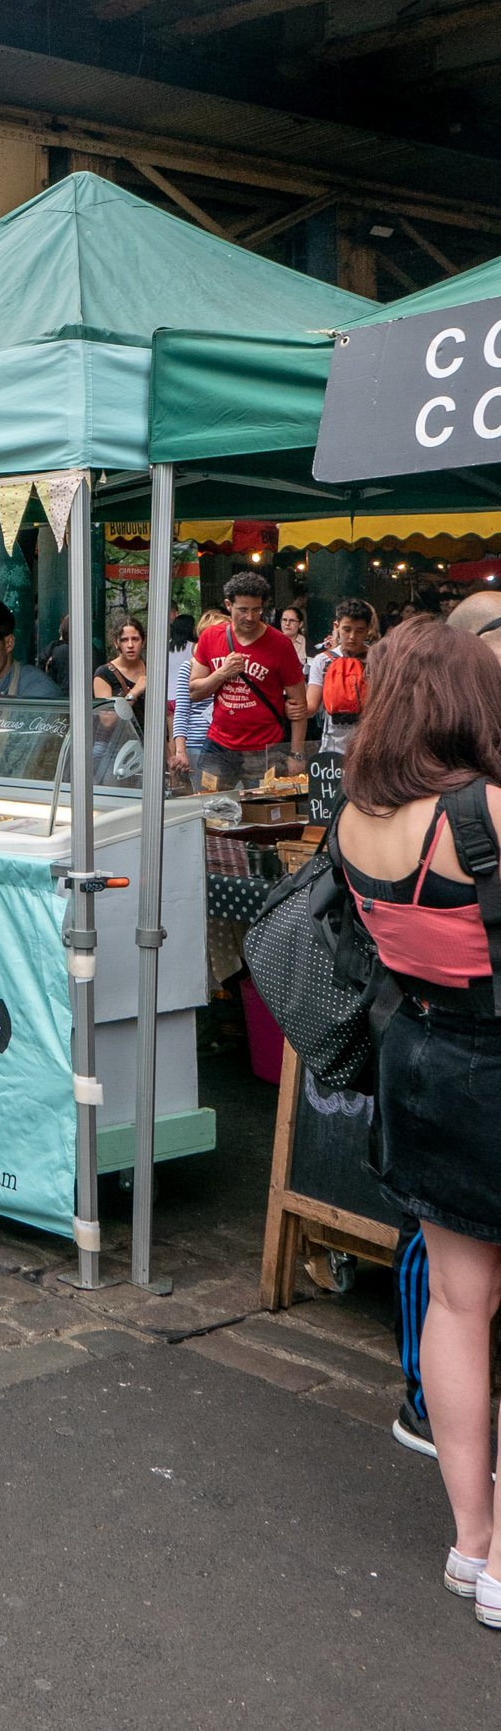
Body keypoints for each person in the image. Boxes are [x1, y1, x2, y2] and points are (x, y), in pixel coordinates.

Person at [332, 624, 501, 1620]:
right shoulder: (485, 810)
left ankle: (471, 1540)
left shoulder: (359, 814)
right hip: (491, 1059)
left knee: (457, 1301)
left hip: (419, 1063)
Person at [188, 572, 308, 790]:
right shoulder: (210, 637)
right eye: (243, 610)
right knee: (209, 810)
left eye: (257, 610)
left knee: (266, 814)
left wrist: (296, 754)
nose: (251, 617)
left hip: (264, 750)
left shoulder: (280, 645)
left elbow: (299, 704)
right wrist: (222, 673)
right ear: (228, 605)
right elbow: (194, 691)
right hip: (219, 745)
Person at [306, 597, 377, 757]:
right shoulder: (322, 660)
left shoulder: (378, 659)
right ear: (336, 627)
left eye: (359, 631)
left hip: (370, 749)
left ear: (367, 630)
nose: (352, 636)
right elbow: (311, 707)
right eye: (347, 629)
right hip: (332, 750)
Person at [171, 606, 224, 783]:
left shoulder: (232, 665)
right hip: (197, 743)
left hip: (227, 744)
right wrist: (180, 751)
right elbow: (181, 712)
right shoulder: (190, 667)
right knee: (205, 798)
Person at [93, 616, 148, 736]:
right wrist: (134, 692)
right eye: (124, 640)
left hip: (148, 742)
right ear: (116, 643)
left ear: (143, 642)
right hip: (113, 745)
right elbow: (106, 721)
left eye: (135, 639)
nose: (130, 645)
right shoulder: (104, 673)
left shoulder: (153, 670)